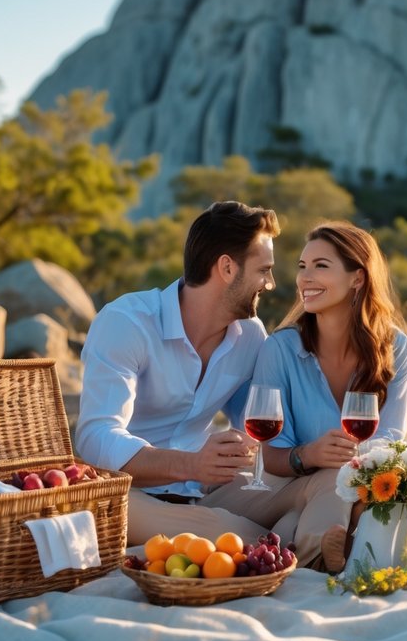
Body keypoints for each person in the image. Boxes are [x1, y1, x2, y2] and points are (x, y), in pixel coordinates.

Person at [76, 201, 330, 549]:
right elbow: (95, 438)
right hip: (127, 494)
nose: (270, 284)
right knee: (229, 531)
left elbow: (262, 423)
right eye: (264, 270)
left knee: (314, 488)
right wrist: (192, 465)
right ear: (227, 267)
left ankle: (279, 536)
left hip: (206, 491)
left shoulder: (250, 335)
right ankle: (275, 540)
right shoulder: (127, 323)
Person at [247, 221, 407, 571]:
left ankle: (313, 547)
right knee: (329, 485)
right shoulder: (280, 349)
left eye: (321, 266)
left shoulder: (395, 347)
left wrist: (356, 461)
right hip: (289, 487)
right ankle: (326, 553)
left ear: (358, 278)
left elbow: (392, 439)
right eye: (302, 267)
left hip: (357, 482)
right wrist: (310, 454)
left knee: (300, 520)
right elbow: (273, 458)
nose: (305, 278)